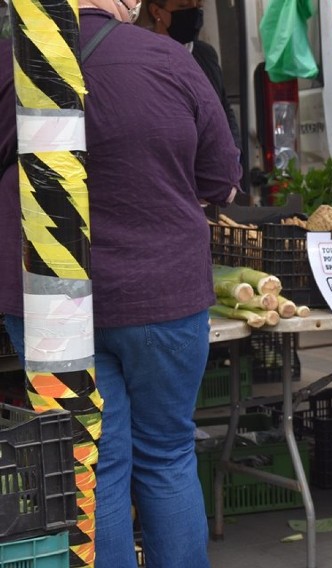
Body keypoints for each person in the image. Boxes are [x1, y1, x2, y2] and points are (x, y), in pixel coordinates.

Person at [0, 0, 241, 565]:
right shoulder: (171, 60)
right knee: (167, 454)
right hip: (162, 296)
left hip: (49, 301)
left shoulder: (16, 61)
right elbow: (221, 177)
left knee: (89, 462)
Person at [144, 0, 241, 153]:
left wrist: (234, 152)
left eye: (198, 6)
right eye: (183, 6)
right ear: (156, 11)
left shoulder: (205, 54)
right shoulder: (144, 59)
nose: (194, 13)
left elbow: (223, 109)